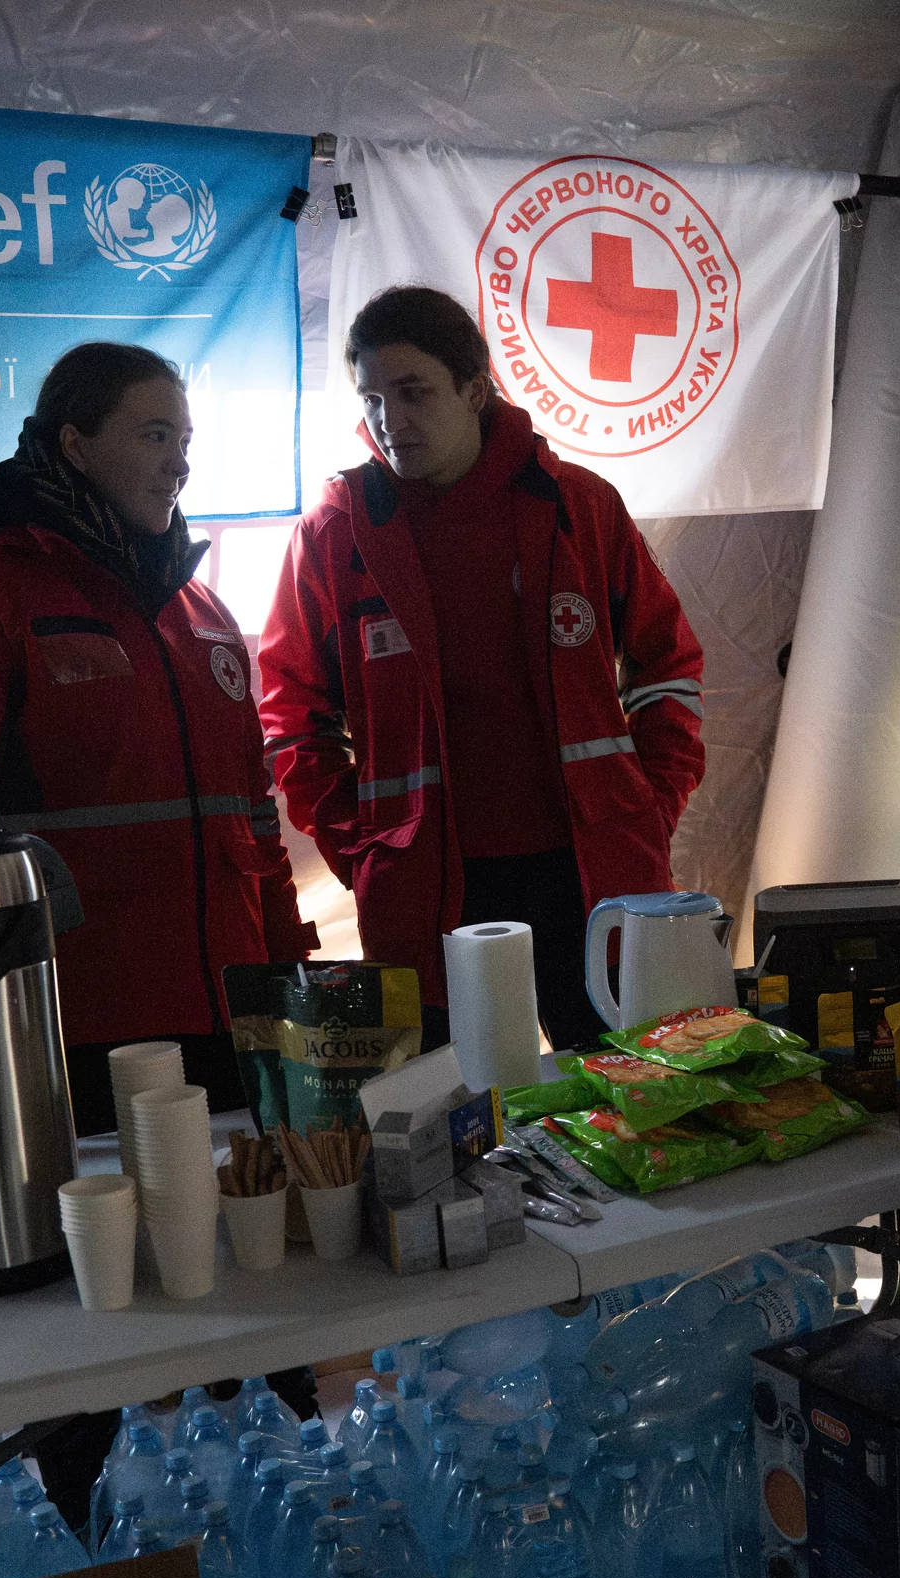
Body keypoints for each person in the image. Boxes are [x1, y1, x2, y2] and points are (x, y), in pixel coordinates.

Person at [257, 287, 703, 1049]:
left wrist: (649, 810)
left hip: (588, 870)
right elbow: (291, 714)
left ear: (473, 388)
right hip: (426, 885)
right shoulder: (336, 531)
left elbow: (669, 669)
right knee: (448, 1110)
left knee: (622, 1089)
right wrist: (359, 850)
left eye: (413, 392)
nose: (390, 420)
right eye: (372, 398)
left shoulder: (579, 507)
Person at [0, 343, 309, 1131]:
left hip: (234, 1016)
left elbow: (254, 818)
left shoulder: (204, 616)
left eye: (184, 439)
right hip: (71, 1033)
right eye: (154, 435)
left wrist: (289, 974)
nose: (180, 463)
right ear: (75, 446)